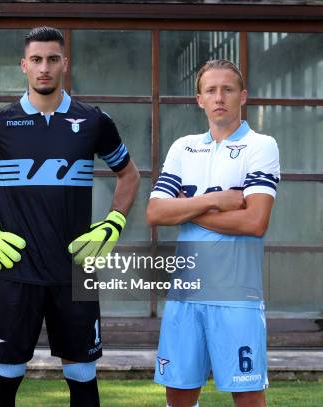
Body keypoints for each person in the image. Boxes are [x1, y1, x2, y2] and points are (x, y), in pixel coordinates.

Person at [0, 26, 140, 407]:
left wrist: (114, 221)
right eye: (36, 60)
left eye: (51, 59)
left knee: (82, 376)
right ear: (23, 66)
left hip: (76, 270)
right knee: (5, 377)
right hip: (16, 270)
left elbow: (129, 174)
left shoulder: (94, 121)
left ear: (65, 63)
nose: (44, 68)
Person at [147, 59, 280, 407]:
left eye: (228, 89)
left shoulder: (261, 145)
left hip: (236, 295)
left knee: (248, 395)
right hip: (186, 295)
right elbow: (156, 212)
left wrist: (189, 207)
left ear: (243, 96)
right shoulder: (183, 147)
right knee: (178, 394)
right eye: (211, 90)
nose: (219, 96)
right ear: (200, 99)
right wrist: (216, 201)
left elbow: (255, 222)